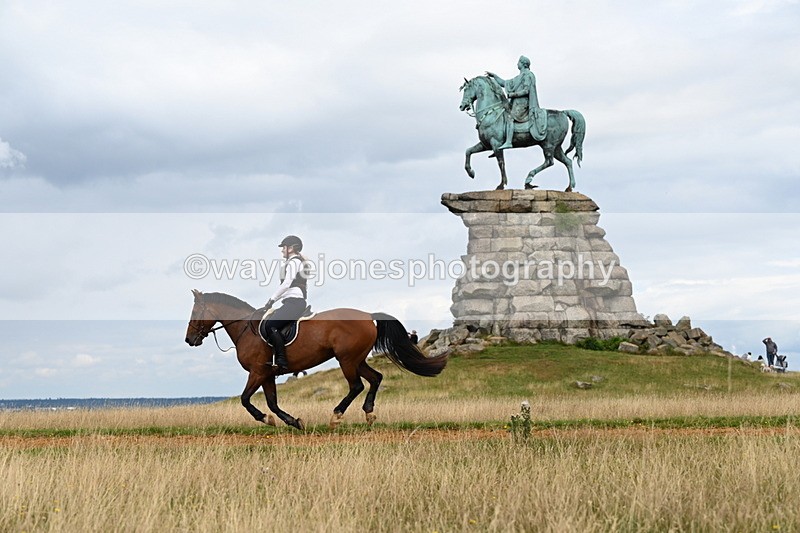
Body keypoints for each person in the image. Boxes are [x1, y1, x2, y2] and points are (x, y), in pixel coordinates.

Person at [262, 235, 310, 372]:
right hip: (291, 301)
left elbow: (286, 284)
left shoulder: (294, 262)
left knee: (271, 325)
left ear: (291, 248)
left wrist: (271, 300)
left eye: (283, 247)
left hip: (295, 302)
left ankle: (281, 360)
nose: (282, 250)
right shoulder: (293, 262)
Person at [486, 55, 547, 149]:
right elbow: (504, 83)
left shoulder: (528, 75)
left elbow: (526, 91)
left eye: (518, 62)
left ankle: (509, 142)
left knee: (509, 117)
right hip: (515, 103)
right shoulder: (518, 77)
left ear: (523, 64)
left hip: (523, 104)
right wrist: (494, 76)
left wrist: (513, 95)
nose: (517, 64)